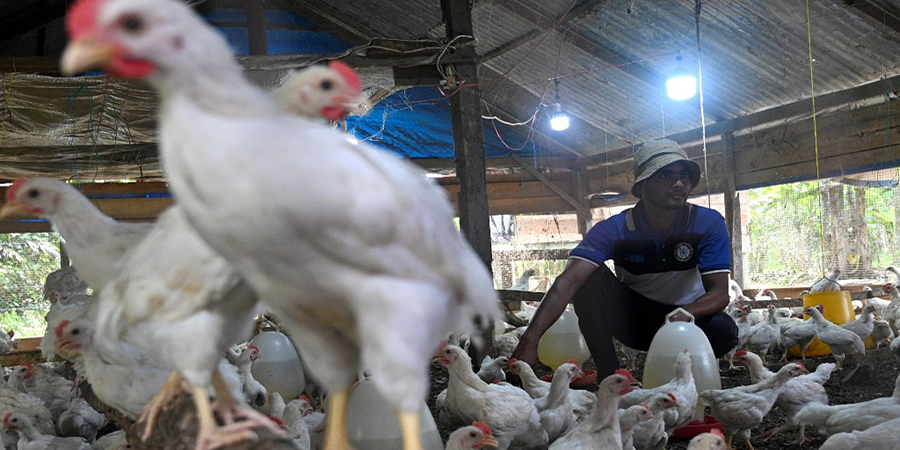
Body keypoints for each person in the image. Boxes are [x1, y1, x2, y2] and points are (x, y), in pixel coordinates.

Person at [510, 139, 739, 377]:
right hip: (635, 323)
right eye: (665, 175)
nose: (679, 183)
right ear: (642, 186)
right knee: (587, 278)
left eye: (684, 175)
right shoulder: (614, 229)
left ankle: (686, 374)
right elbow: (568, 281)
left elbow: (720, 292)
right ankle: (611, 377)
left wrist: (685, 314)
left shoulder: (708, 223)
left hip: (687, 319)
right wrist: (530, 340)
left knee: (724, 331)